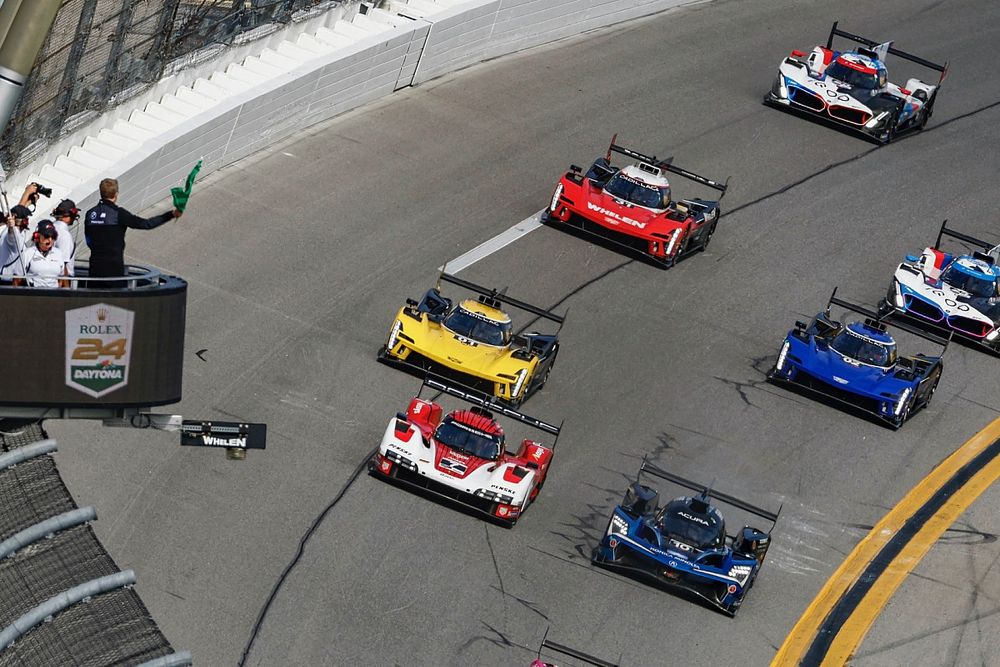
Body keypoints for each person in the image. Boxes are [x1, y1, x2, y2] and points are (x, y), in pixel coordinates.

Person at [85, 178, 182, 286]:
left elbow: (88, 240)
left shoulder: (90, 214)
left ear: (101, 193)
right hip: (114, 271)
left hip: (94, 269)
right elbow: (147, 224)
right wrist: (171, 214)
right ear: (116, 194)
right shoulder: (119, 213)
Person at [10, 219, 68, 288]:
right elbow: (17, 280)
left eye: (53, 236)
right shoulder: (27, 253)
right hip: (34, 295)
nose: (50, 240)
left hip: (54, 296)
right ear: (37, 236)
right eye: (46, 236)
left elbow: (64, 279)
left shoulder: (58, 253)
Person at [0, 205, 33, 284]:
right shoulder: (13, 232)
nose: (27, 221)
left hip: (15, 278)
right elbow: (12, 237)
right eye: (25, 218)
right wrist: (11, 227)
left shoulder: (21, 232)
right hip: (7, 280)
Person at [51, 199, 80, 279]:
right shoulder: (64, 235)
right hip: (62, 280)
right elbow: (63, 265)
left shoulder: (51, 227)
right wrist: (66, 287)